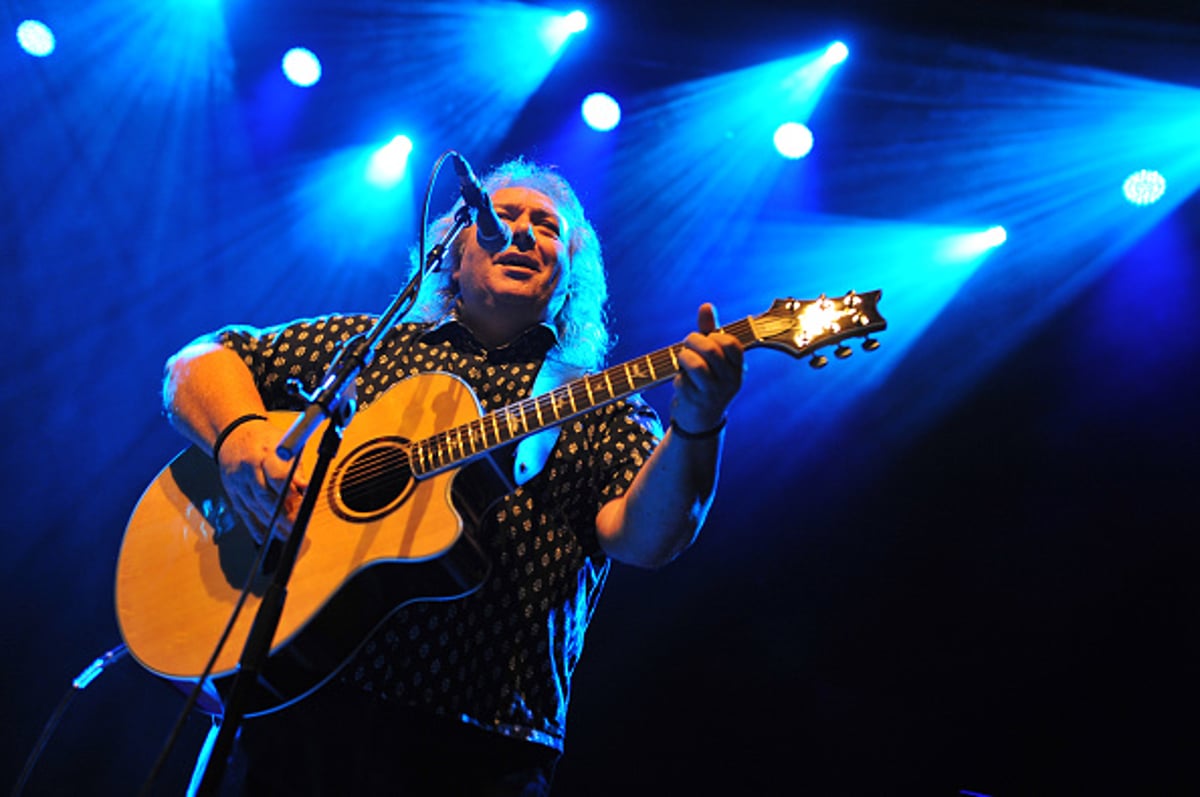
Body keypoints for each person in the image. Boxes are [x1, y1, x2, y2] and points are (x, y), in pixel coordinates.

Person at [162, 157, 744, 795]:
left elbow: (644, 537)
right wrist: (240, 436)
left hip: (479, 746)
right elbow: (202, 360)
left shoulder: (599, 404)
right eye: (500, 218)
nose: (520, 233)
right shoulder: (367, 348)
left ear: (572, 272)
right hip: (295, 703)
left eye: (547, 228)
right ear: (452, 252)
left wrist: (698, 420)